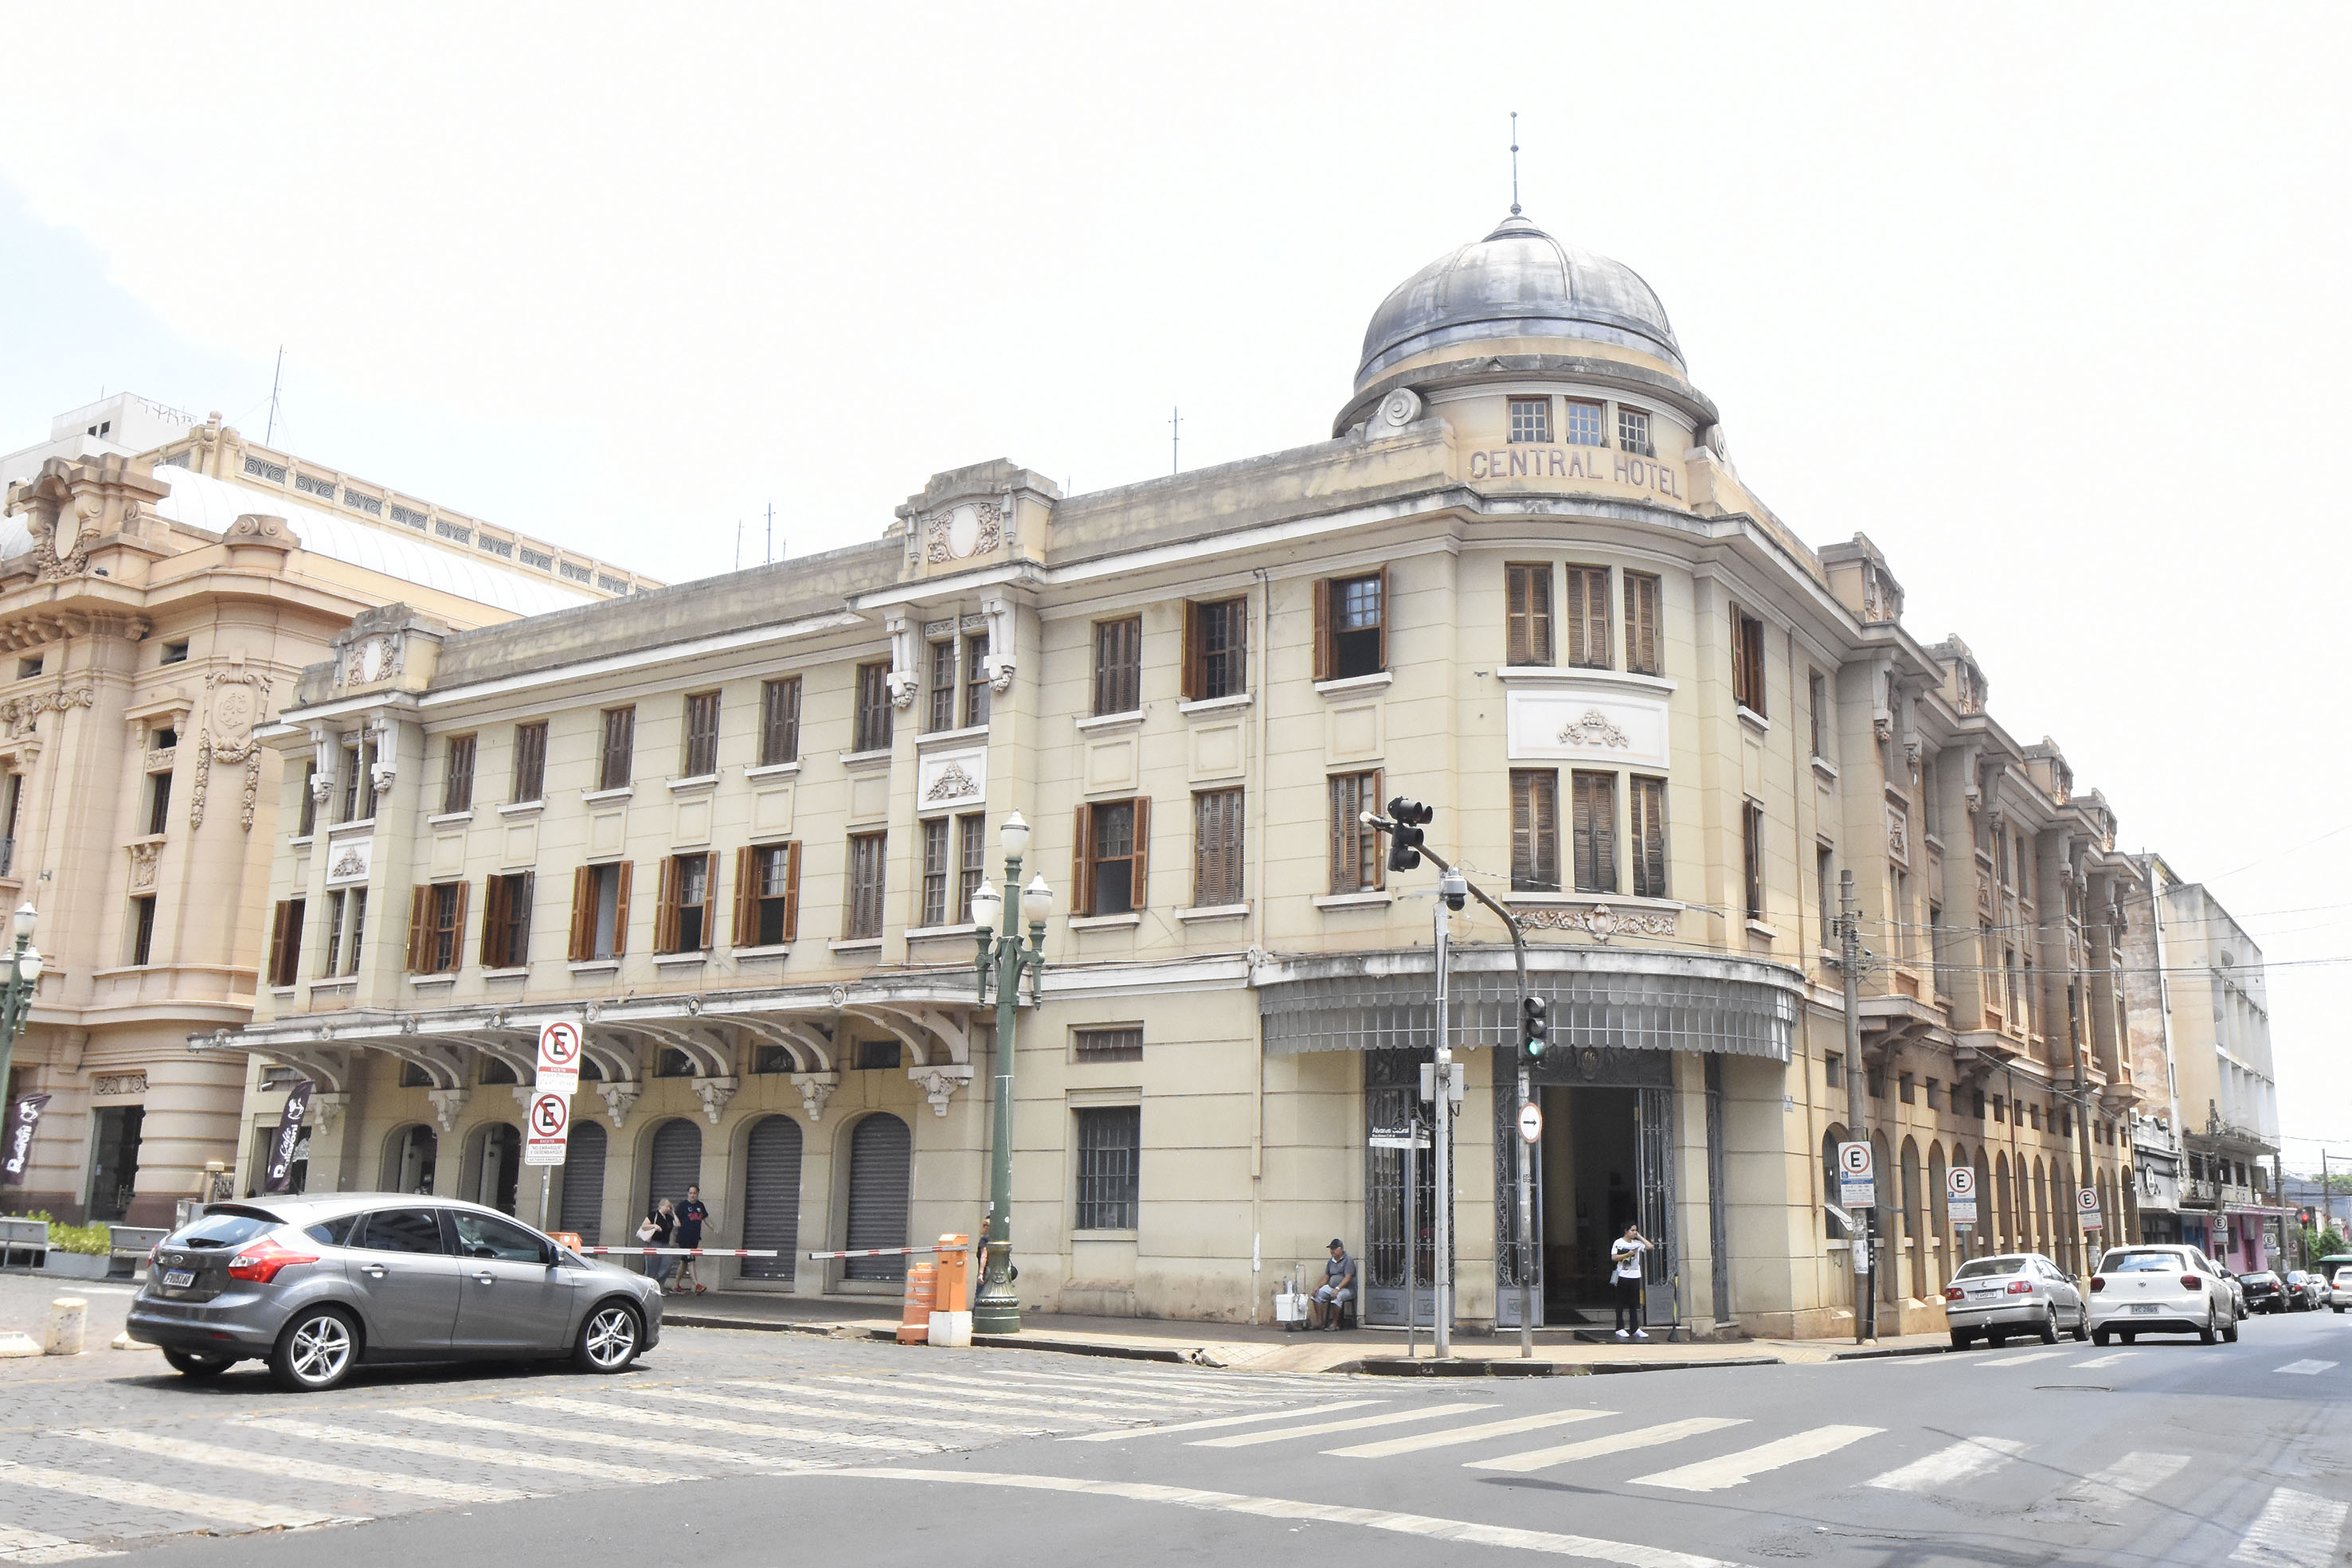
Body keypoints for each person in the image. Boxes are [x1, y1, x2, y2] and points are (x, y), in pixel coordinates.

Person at [1610, 1223, 1651, 1341]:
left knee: (1634, 1303)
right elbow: (1614, 1257)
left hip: (1635, 1276)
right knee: (1620, 1302)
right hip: (1622, 1275)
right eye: (1632, 1230)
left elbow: (1649, 1246)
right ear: (1626, 1231)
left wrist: (1639, 1237)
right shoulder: (1618, 1242)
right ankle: (1620, 1328)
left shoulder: (1637, 1244)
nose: (1634, 1232)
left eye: (1635, 1230)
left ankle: (1635, 1328)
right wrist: (1628, 1254)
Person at [1308, 1238, 1357, 1331]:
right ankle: (1320, 1322)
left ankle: (1335, 1323)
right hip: (1332, 1286)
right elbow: (1326, 1277)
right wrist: (1317, 1287)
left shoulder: (1348, 1260)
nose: (1332, 1251)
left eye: (1334, 1249)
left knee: (1337, 1296)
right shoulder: (1331, 1261)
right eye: (1331, 1249)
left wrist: (1338, 1288)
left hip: (1347, 1289)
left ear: (1341, 1249)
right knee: (1317, 1294)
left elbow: (1348, 1277)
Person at [673, 1185, 710, 1296]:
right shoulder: (683, 1205)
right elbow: (675, 1219)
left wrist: (713, 1228)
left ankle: (675, 1285)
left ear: (697, 1194)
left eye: (694, 1193)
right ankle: (697, 1285)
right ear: (687, 1194)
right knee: (691, 1260)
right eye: (690, 1193)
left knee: (684, 1261)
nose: (692, 1195)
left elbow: (706, 1219)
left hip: (694, 1237)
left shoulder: (700, 1205)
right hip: (684, 1237)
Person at [640, 1197, 677, 1290]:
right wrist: (654, 1226)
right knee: (652, 1266)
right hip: (654, 1243)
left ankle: (659, 1284)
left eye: (670, 1207)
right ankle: (650, 1287)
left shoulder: (669, 1217)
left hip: (665, 1244)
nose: (668, 1209)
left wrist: (673, 1212)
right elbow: (644, 1227)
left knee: (667, 1265)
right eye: (667, 1207)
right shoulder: (653, 1215)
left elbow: (678, 1224)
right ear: (662, 1206)